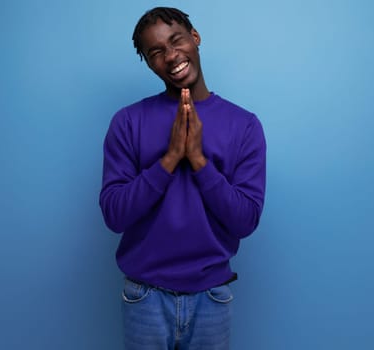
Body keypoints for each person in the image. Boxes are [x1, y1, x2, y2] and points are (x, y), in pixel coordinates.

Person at [99, 7, 266, 350]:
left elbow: (245, 220)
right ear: (148, 62)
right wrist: (171, 158)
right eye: (155, 52)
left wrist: (200, 161)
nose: (171, 56)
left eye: (176, 41)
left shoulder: (245, 126)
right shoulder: (128, 122)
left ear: (195, 37)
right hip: (145, 295)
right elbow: (114, 216)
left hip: (212, 297)